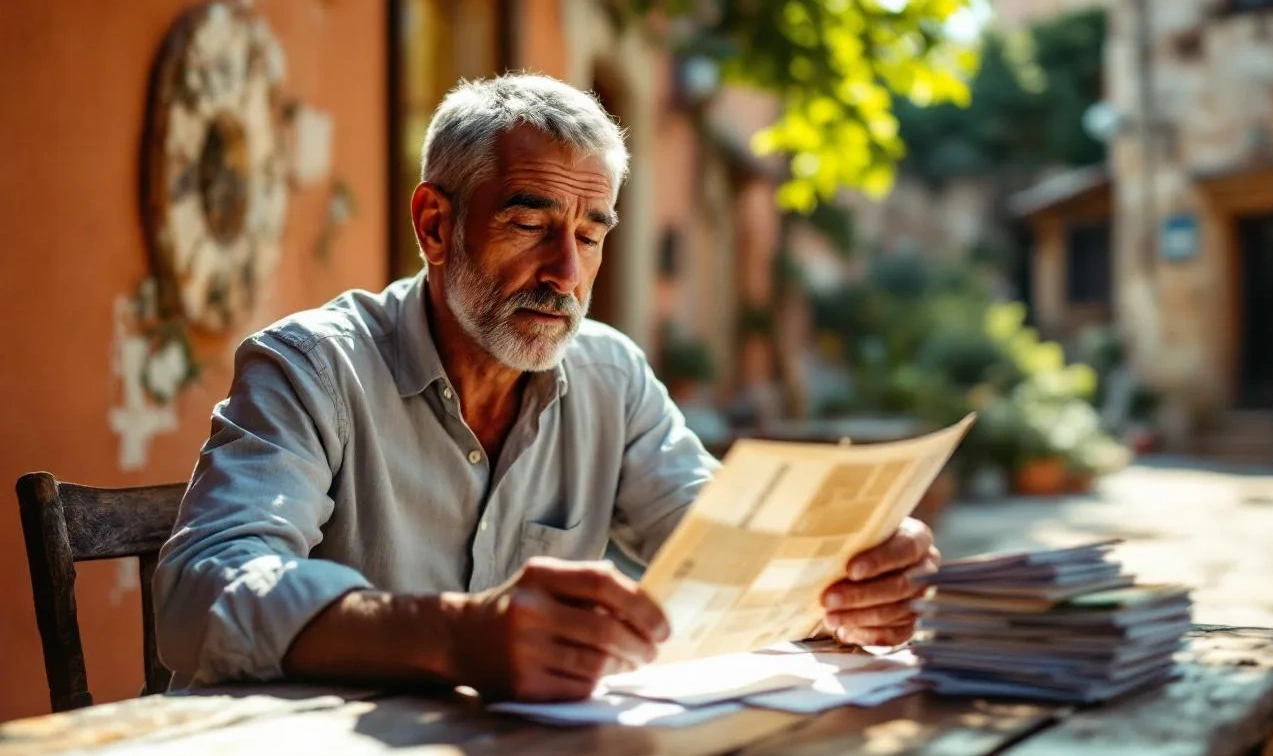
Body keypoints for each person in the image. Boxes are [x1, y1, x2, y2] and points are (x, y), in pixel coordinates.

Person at [153, 73, 940, 702]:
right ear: (434, 225)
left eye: (591, 234)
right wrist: (457, 636)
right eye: (530, 226)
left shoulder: (612, 376)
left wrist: (847, 581)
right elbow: (199, 592)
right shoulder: (313, 367)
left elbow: (726, 556)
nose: (565, 273)